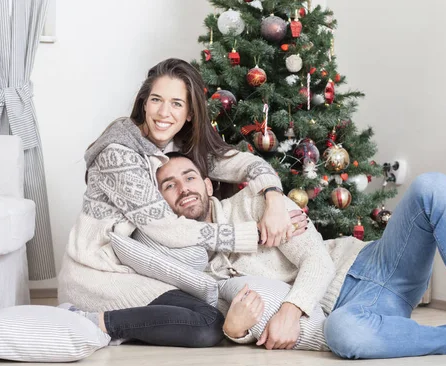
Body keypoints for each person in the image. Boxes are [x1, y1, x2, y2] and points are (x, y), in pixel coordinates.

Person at [140, 153, 446, 365]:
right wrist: (234, 332)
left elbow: (318, 260)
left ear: (210, 185)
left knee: (433, 186)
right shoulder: (192, 263)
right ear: (161, 203)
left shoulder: (255, 201)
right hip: (355, 312)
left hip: (374, 263)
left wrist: (291, 307)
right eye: (169, 186)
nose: (183, 188)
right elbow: (229, 317)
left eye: (189, 176)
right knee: (345, 336)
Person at [57, 58, 305, 348]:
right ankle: (89, 321)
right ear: (143, 104)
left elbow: (246, 164)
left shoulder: (174, 145)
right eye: (156, 100)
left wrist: (273, 198)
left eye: (176, 103)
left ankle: (116, 325)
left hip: (133, 270)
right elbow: (167, 230)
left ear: (189, 113)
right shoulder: (118, 153)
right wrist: (257, 234)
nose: (164, 112)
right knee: (207, 323)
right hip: (95, 273)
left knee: (205, 313)